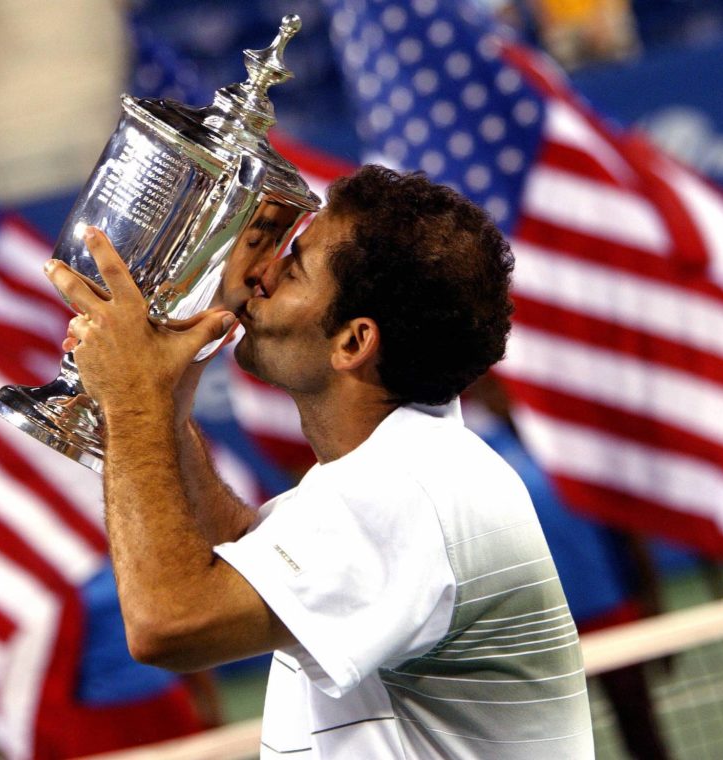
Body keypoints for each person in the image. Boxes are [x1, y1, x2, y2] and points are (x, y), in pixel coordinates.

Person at [45, 165, 595, 758]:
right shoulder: (410, 466)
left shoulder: (406, 489)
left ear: (353, 343)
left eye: (293, 266)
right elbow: (228, 547)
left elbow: (169, 624)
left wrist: (133, 399)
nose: (260, 273)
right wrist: (169, 399)